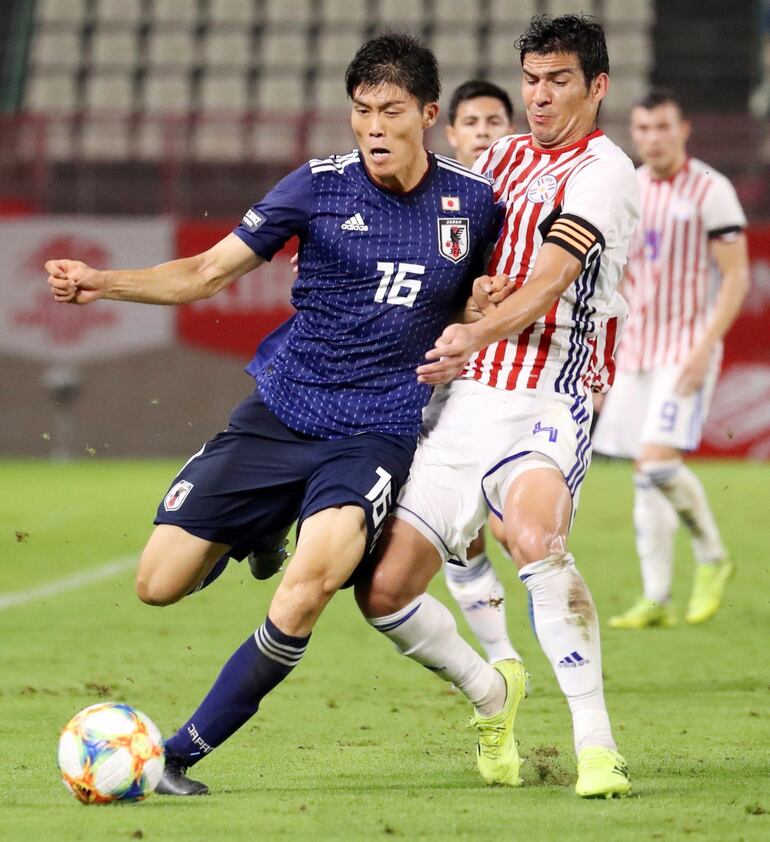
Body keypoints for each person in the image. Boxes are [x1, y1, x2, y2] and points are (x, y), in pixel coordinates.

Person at [46, 33, 499, 796]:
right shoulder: (316, 187)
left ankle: (178, 756)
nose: (374, 128)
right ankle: (260, 527)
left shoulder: (475, 204)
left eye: (391, 112)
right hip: (281, 412)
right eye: (361, 112)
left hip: (373, 433)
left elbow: (494, 294)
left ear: (428, 115)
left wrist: (478, 317)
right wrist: (103, 282)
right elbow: (205, 272)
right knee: (156, 585)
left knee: (310, 583)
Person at [352, 14, 640, 799]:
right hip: (472, 395)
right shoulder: (500, 159)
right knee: (380, 591)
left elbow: (549, 279)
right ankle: (492, 692)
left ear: (597, 87)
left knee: (536, 540)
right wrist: (473, 290)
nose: (541, 96)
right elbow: (475, 262)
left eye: (560, 81)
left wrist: (472, 329)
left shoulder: (606, 171)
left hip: (552, 389)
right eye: (533, 80)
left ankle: (597, 748)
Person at [592, 89, 749, 629]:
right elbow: (621, 272)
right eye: (643, 129)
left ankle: (712, 556)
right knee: (643, 474)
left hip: (686, 348)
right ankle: (656, 597)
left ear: (683, 129)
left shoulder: (711, 190)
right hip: (636, 351)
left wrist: (705, 349)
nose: (652, 139)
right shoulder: (631, 187)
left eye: (662, 128)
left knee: (657, 462)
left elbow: (736, 277)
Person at [442, 79, 520, 664]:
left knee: (515, 530)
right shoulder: (434, 198)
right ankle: (503, 660)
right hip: (444, 378)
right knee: (459, 536)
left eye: (495, 121)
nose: (484, 132)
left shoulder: (527, 198)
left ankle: (566, 653)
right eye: (472, 122)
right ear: (452, 133)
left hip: (514, 376)